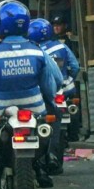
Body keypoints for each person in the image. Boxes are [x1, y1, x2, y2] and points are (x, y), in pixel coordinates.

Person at [0, 0, 63, 188]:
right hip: (35, 106)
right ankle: (48, 157)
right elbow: (53, 81)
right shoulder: (37, 50)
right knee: (54, 116)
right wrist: (48, 99)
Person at [28, 18, 80, 174]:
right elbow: (75, 67)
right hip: (65, 90)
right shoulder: (61, 47)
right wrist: (68, 81)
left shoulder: (33, 51)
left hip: (44, 94)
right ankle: (70, 138)